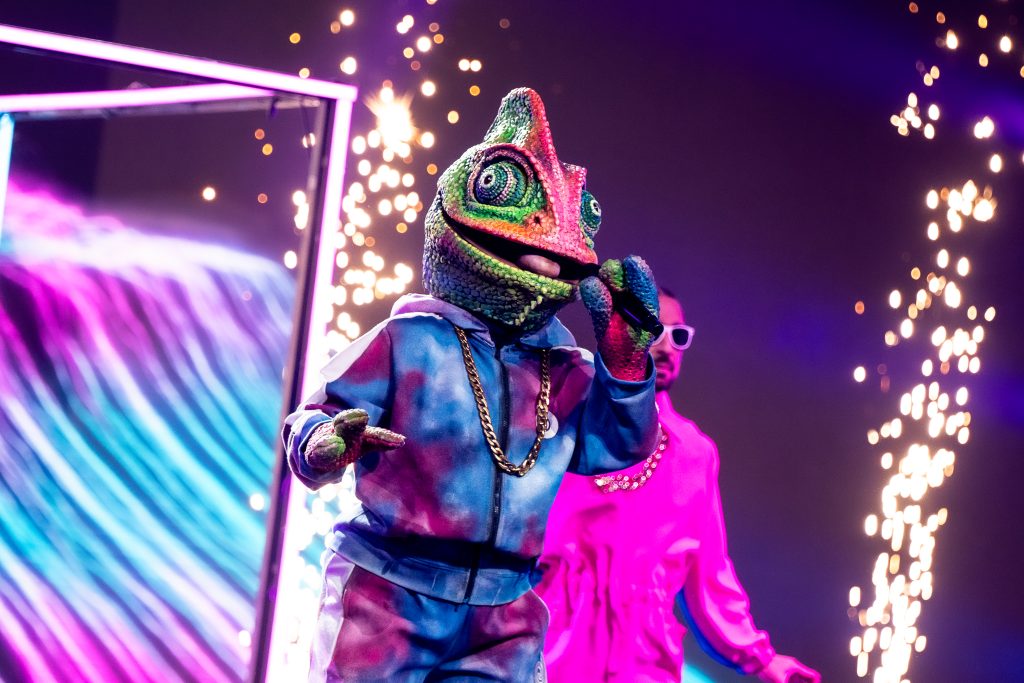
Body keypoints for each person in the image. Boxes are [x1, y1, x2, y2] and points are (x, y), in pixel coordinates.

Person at [282, 88, 662, 681]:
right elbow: (314, 419)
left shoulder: (564, 366)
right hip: (389, 595)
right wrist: (323, 442)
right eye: (500, 186)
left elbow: (619, 449)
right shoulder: (408, 340)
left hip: (505, 611)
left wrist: (626, 365)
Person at [536, 288, 820, 683]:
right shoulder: (566, 421)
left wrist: (762, 659)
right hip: (556, 646)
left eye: (679, 335)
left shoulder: (694, 453)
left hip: (645, 661)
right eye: (655, 331)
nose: (668, 347)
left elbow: (710, 574)